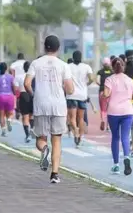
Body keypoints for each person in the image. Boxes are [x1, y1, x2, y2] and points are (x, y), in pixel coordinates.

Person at [24, 35, 74, 184]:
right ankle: (55, 174)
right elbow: (70, 89)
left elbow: (27, 83)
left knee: (40, 138)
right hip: (58, 105)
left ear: (45, 47)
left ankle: (44, 149)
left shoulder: (36, 63)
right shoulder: (63, 65)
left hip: (41, 104)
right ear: (58, 48)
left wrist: (34, 94)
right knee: (57, 139)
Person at [103, 57, 133, 175]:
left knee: (115, 137)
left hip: (113, 112)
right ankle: (127, 157)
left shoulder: (109, 79)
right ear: (123, 67)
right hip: (128, 111)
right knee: (125, 136)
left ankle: (116, 165)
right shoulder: (129, 80)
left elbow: (106, 94)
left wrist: (104, 94)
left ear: (113, 67)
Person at [66, 50, 93, 145]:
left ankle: (76, 133)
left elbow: (65, 80)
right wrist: (86, 84)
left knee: (72, 117)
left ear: (73, 57)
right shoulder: (86, 67)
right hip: (82, 95)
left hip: (71, 95)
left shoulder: (68, 67)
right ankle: (80, 137)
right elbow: (91, 79)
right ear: (81, 57)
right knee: (81, 118)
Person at [0, 62, 16, 136]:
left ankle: (3, 130)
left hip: (0, 96)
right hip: (9, 95)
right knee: (11, 113)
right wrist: (14, 92)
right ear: (6, 69)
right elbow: (14, 86)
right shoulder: (11, 77)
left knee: (1, 115)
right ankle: (9, 120)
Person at [15, 61, 34, 143]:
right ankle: (32, 129)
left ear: (23, 68)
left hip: (23, 95)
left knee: (25, 117)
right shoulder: (34, 77)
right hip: (32, 95)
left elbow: (16, 89)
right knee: (32, 115)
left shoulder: (19, 76)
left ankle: (27, 135)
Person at [96, 58, 113, 131]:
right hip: (111, 92)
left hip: (102, 91)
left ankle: (103, 120)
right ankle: (108, 126)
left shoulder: (100, 72)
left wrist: (102, 85)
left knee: (103, 109)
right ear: (109, 64)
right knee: (110, 109)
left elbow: (97, 81)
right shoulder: (112, 72)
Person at [9, 53, 27, 118]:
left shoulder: (14, 64)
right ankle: (24, 110)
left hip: (16, 81)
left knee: (18, 96)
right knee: (25, 95)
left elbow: (11, 71)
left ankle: (18, 110)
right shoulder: (26, 62)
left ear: (18, 57)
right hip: (25, 80)